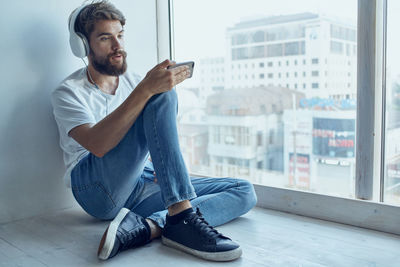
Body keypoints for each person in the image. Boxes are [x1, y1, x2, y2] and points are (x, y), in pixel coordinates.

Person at [51, 0, 257, 262]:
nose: (118, 47)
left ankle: (152, 226)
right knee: (161, 94)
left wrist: (164, 171)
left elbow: (156, 139)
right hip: (94, 189)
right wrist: (146, 90)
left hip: (140, 179)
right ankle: (181, 219)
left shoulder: (134, 81)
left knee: (243, 190)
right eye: (105, 38)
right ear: (82, 45)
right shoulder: (68, 92)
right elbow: (97, 144)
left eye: (120, 36)